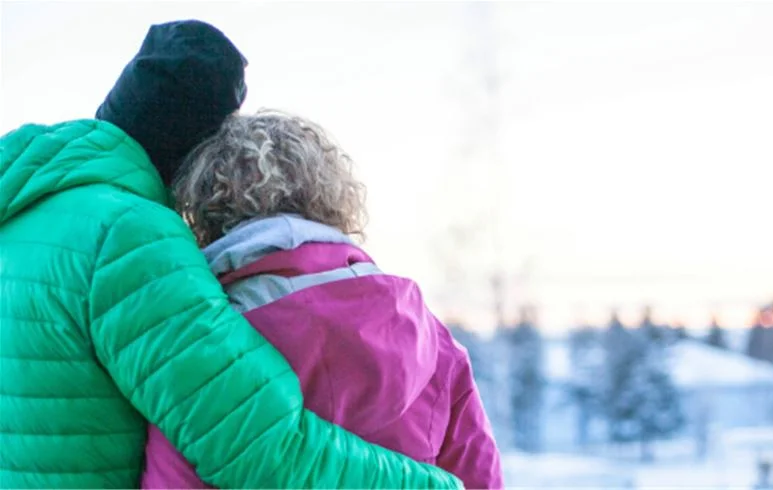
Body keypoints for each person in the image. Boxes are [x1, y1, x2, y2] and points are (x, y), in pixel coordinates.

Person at [0, 20, 461, 489]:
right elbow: (258, 447)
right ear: (197, 154)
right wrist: (435, 485)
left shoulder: (24, 215)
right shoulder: (129, 235)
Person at [143, 108, 504, 489]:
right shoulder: (428, 336)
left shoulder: (204, 340)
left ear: (205, 211)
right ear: (329, 197)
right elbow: (480, 477)